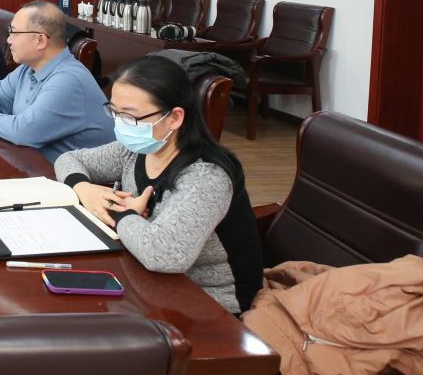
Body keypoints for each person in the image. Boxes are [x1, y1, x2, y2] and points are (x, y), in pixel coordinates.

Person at [53, 54, 265, 313]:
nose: (120, 124)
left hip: (209, 299)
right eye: (114, 112)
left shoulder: (207, 176)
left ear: (174, 118)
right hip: (143, 274)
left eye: (130, 116)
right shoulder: (137, 149)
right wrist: (83, 188)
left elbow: (164, 255)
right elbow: (69, 159)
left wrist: (122, 214)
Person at [0, 0, 111, 161]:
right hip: (33, 163)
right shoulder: (29, 68)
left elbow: (24, 132)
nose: (9, 40)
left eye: (14, 32)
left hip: (75, 181)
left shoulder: (68, 80)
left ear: (40, 40)